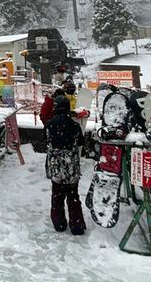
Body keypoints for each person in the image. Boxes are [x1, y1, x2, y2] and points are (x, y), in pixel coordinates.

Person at [46, 94, 86, 234]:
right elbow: (81, 142)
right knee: (73, 196)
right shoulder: (74, 125)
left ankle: (59, 223)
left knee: (57, 196)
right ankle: (77, 225)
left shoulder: (50, 124)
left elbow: (47, 140)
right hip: (71, 166)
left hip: (56, 165)